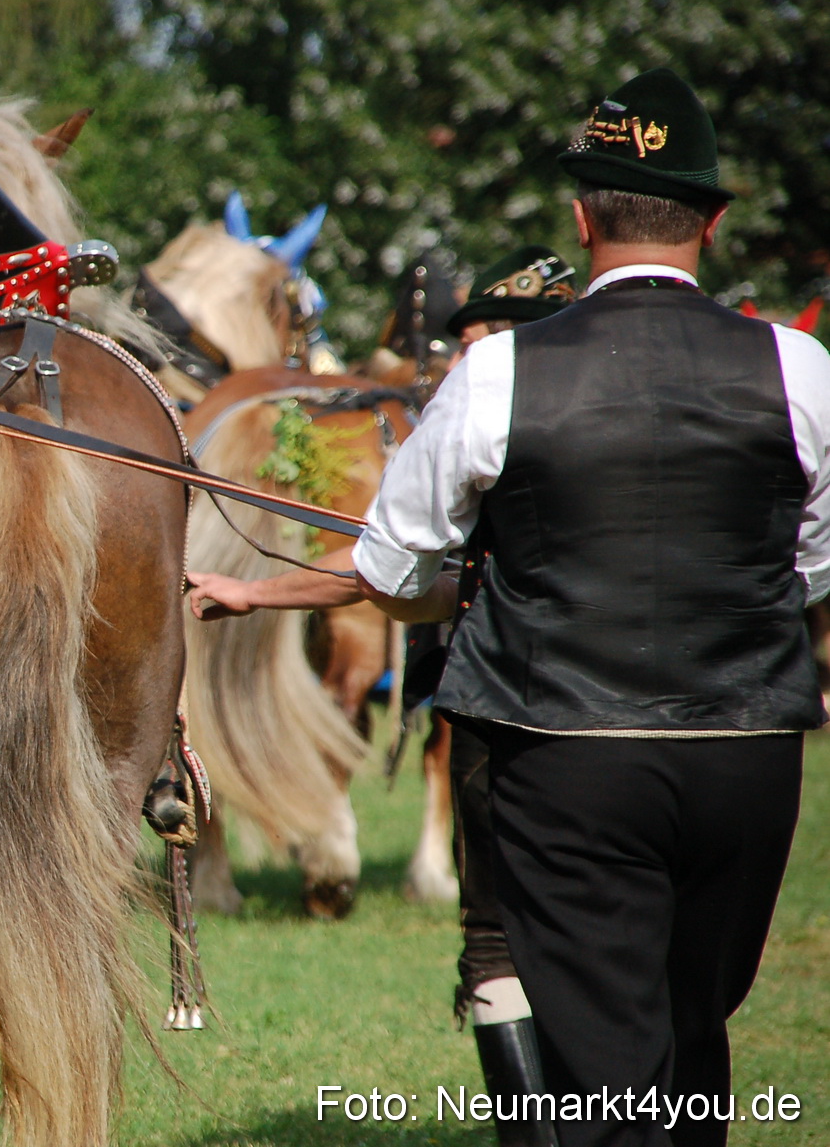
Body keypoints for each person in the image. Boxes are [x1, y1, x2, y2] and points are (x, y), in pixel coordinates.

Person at [350, 70, 826, 1147]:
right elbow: (812, 565)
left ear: (581, 216)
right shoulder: (801, 369)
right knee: (693, 1032)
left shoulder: (495, 373)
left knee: (608, 1071)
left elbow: (386, 572)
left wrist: (486, 566)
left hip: (567, 756)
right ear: (711, 219)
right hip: (749, 755)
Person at [189, 244, 579, 1147]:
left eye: (481, 331)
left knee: (500, 946)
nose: (463, 350)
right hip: (709, 729)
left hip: (527, 719)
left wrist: (259, 590)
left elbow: (390, 566)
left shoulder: (485, 399)